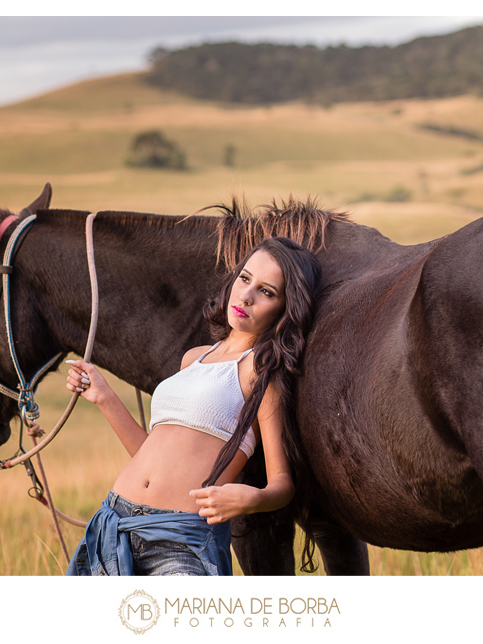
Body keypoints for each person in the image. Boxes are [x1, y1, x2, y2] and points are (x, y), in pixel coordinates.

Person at [64, 236, 322, 575]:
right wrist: (105, 397)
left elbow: (281, 484)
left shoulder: (260, 373)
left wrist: (250, 499)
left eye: (266, 291)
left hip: (181, 539)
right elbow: (151, 454)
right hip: (114, 521)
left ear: (284, 309)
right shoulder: (193, 359)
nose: (246, 295)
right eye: (245, 279)